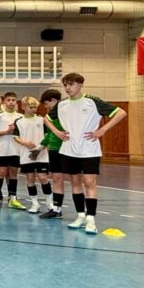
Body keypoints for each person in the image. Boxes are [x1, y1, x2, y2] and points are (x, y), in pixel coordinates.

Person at [46, 73, 127, 235]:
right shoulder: (62, 104)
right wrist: (57, 132)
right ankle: (80, 216)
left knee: (90, 182)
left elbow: (121, 113)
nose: (68, 88)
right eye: (65, 85)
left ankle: (91, 219)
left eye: (71, 84)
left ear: (80, 84)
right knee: (75, 182)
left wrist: (102, 130)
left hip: (89, 149)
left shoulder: (92, 101)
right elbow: (46, 119)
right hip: (69, 149)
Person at [14, 96, 52, 214]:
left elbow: (48, 135)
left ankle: (49, 202)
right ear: (23, 107)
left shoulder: (41, 120)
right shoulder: (19, 121)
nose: (34, 109)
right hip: (26, 154)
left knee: (43, 177)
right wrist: (25, 143)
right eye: (31, 107)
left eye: (35, 107)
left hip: (41, 153)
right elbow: (16, 137)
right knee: (30, 178)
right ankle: (35, 203)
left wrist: (41, 147)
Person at [0, 92, 26, 210]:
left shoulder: (20, 116)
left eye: (13, 100)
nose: (11, 102)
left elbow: (23, 133)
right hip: (4, 149)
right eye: (8, 100)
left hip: (16, 149)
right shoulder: (0, 115)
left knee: (13, 173)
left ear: (16, 101)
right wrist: (6, 132)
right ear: (4, 101)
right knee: (1, 172)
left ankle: (13, 199)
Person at [38, 89, 66, 219]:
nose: (46, 106)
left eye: (46, 103)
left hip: (68, 149)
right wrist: (40, 147)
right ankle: (56, 209)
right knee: (57, 179)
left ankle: (83, 212)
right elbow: (50, 134)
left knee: (77, 180)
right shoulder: (50, 115)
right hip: (54, 149)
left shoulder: (65, 112)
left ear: (53, 100)